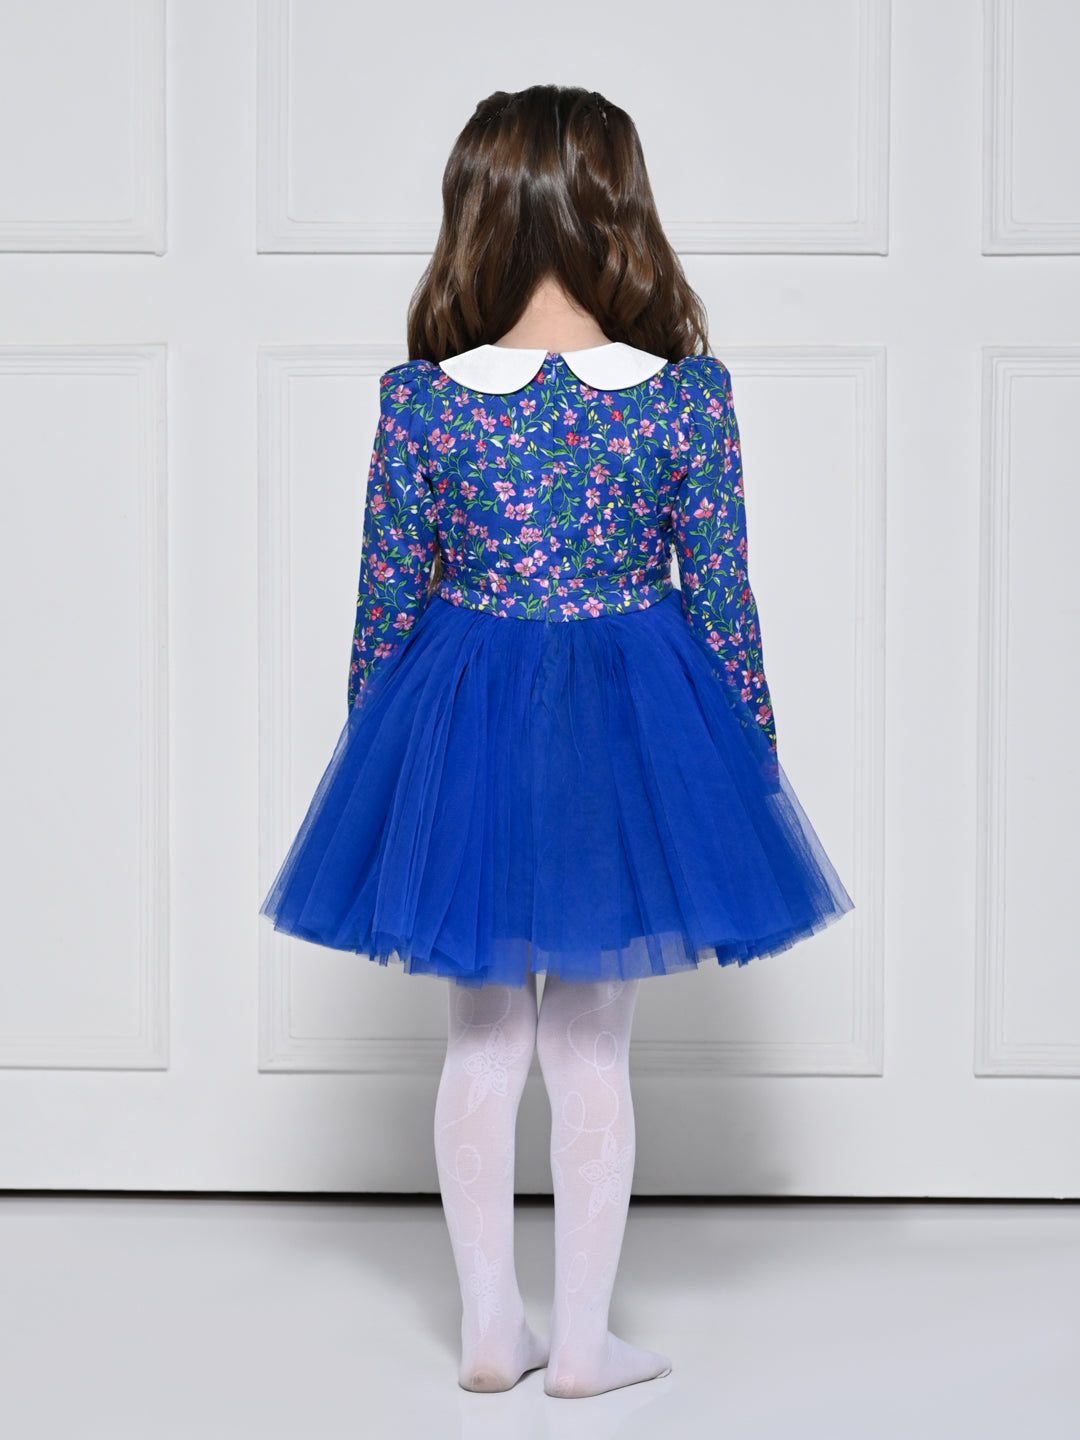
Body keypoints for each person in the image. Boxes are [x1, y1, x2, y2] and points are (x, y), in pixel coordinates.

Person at [259, 84, 854, 1398]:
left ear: (476, 210)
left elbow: (384, 602)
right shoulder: (685, 397)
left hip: (459, 708)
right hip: (630, 717)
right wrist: (748, 762)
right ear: (620, 209)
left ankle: (491, 1332)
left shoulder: (424, 401)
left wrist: (381, 762)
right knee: (591, 1045)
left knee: (481, 1041)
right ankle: (582, 1345)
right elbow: (724, 600)